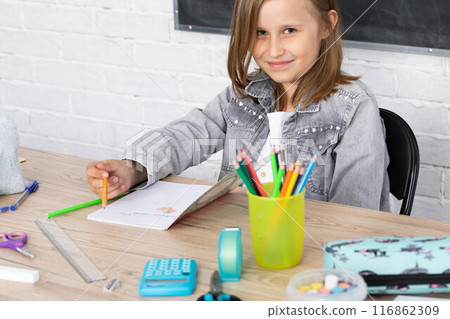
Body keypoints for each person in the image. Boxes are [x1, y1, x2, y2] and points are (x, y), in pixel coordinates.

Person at [86, 0, 390, 212]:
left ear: (326, 25)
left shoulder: (353, 109)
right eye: (260, 33)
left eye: (289, 30)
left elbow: (354, 217)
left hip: (301, 256)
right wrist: (134, 167)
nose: (273, 49)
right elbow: (190, 133)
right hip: (234, 240)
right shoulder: (245, 93)